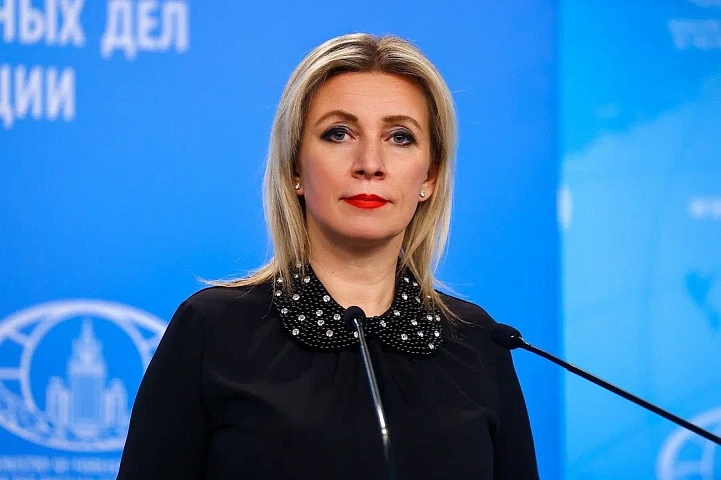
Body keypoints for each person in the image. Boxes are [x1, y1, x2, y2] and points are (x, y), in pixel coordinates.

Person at [117, 33, 539, 479]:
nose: (370, 163)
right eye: (339, 133)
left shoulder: (479, 342)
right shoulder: (213, 328)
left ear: (429, 177)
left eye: (400, 137)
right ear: (295, 168)